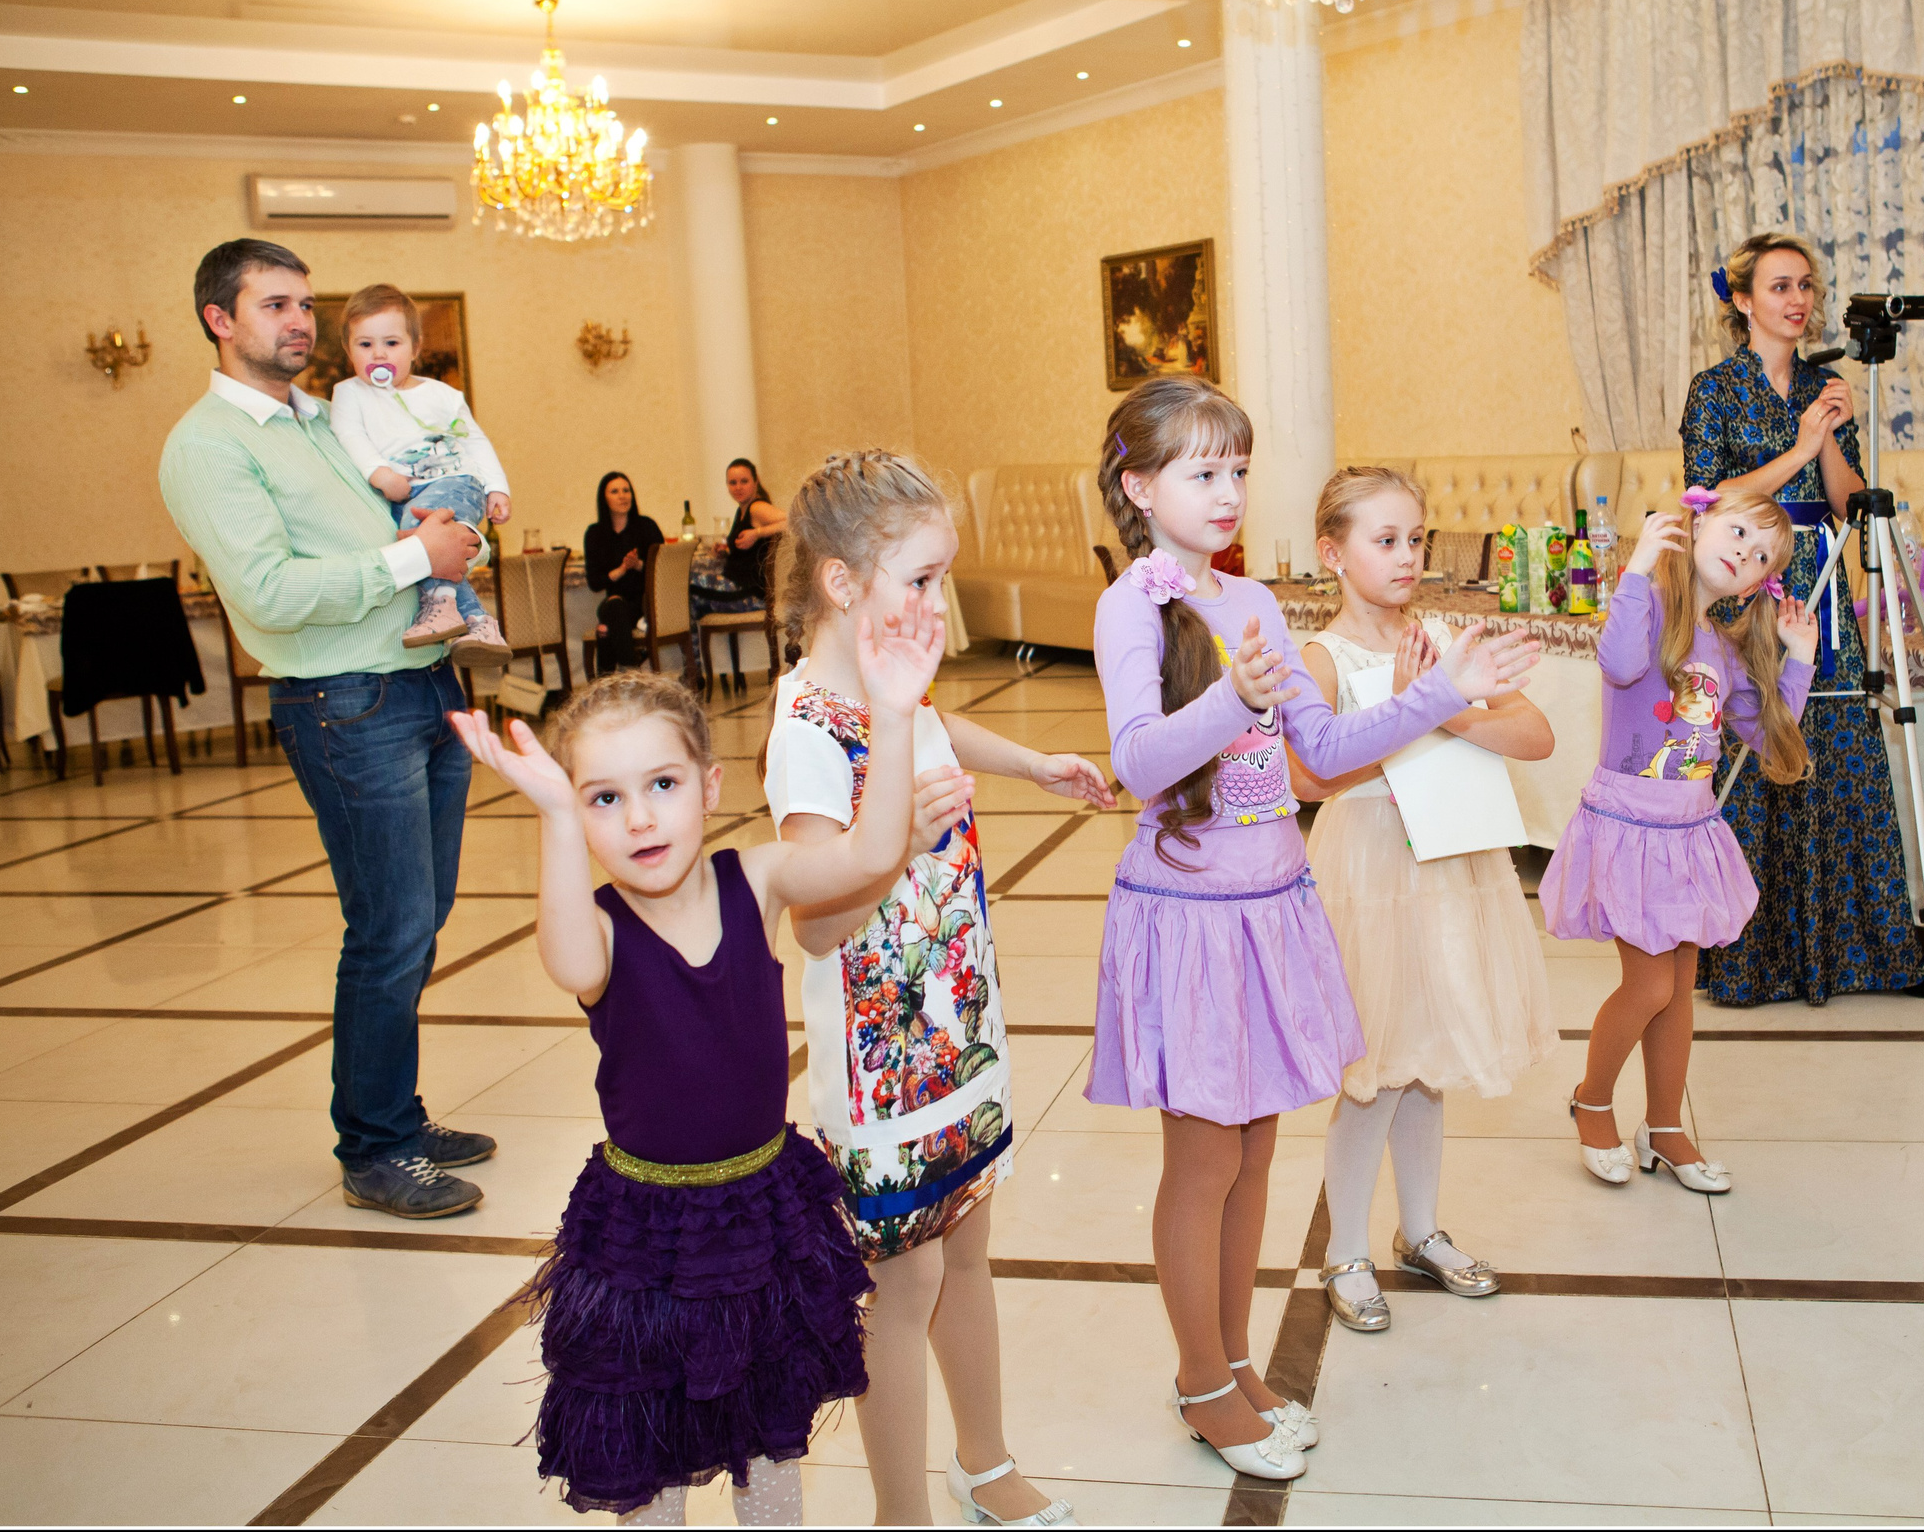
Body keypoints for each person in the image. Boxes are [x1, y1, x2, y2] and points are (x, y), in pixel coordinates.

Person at [1087, 376, 1540, 1482]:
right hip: (1191, 913)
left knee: (1251, 1157)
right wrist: (1230, 704)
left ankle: (1235, 1362)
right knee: (1201, 1165)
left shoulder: (1248, 606)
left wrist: (1447, 694)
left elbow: (1328, 753)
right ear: (1141, 488)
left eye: (1238, 468)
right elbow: (1140, 763)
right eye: (1202, 471)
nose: (1229, 489)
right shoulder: (1129, 608)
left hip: (1268, 902)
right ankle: (1201, 1382)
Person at [451, 637, 941, 1524]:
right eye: (605, 799)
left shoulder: (755, 878)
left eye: (662, 786)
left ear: (710, 787)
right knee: (653, 1450)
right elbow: (563, 960)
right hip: (646, 1232)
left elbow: (868, 857)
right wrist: (556, 820)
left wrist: (897, 716)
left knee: (770, 1436)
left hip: (762, 1211)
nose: (638, 819)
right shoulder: (598, 933)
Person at [763, 449, 1110, 1529]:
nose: (936, 603)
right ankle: (898, 1511)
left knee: (970, 1249)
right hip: (881, 1066)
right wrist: (894, 837)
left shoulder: (887, 686)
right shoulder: (809, 732)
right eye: (917, 579)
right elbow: (815, 924)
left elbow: (941, 727)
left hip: (955, 1025)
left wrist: (1034, 763)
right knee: (901, 1291)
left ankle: (986, 1457)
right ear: (840, 582)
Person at [157, 238, 493, 1220]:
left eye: (305, 304)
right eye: (274, 305)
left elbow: (414, 498)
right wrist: (409, 561)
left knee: (421, 922)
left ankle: (395, 1107)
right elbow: (264, 593)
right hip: (345, 703)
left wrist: (454, 524)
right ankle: (376, 1148)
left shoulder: (334, 413)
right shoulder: (208, 445)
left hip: (428, 683)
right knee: (387, 929)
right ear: (221, 318)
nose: (299, 321)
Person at [1287, 467, 1558, 1334]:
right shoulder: (1322, 657)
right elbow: (1309, 774)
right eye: (1385, 540)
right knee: (1374, 1074)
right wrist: (1410, 709)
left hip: (1449, 867)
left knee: (1429, 1061)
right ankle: (1345, 1251)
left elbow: (1535, 734)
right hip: (1369, 872)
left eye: (1416, 539)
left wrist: (1444, 707)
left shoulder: (1443, 638)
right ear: (1333, 553)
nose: (1407, 557)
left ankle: (1422, 1229)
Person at [1679, 231, 1924, 1004]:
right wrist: (1800, 446)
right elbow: (1711, 497)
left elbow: (1846, 499)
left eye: (1806, 288)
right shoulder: (1714, 389)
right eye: (1782, 287)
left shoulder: (1825, 388)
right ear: (1745, 300)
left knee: (1835, 740)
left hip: (1818, 577)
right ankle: (1750, 957)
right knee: (1756, 745)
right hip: (1746, 578)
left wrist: (1829, 439)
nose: (1799, 301)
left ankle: (1856, 949)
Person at [1542, 489, 1819, 1193]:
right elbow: (1619, 663)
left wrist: (1798, 659)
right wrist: (1637, 568)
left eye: (1762, 556)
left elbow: (1768, 736)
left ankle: (1664, 1126)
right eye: (1737, 532)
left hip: (1688, 831)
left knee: (1680, 988)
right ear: (1696, 525)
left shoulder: (1724, 649)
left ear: (1762, 580)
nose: (1744, 554)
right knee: (1648, 985)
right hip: (1630, 828)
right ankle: (1592, 1102)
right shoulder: (1652, 615)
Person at [327, 284, 512, 666]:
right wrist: (379, 474)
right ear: (349, 351)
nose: (378, 354)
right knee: (419, 542)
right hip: (407, 493)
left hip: (456, 482)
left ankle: (441, 606)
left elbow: (475, 441)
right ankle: (479, 623)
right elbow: (350, 436)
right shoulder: (348, 393)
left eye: (391, 343)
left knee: (419, 532)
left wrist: (497, 487)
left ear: (416, 346)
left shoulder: (442, 395)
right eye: (365, 345)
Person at [689, 457, 789, 685]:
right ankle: (695, 672)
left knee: (688, 581)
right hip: (739, 588)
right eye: (732, 482)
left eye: (744, 481)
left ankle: (693, 672)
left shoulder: (757, 507)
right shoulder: (742, 511)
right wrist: (726, 552)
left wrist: (758, 533)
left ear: (755, 481)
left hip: (749, 594)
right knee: (691, 601)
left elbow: (792, 520)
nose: (738, 487)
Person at [585, 471, 664, 675]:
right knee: (615, 607)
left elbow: (661, 570)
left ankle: (605, 686)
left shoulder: (646, 526)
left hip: (645, 604)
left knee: (606, 629)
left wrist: (638, 564)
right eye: (615, 491)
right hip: (615, 603)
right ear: (604, 498)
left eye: (626, 490)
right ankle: (632, 672)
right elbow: (595, 582)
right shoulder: (595, 533)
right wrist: (621, 570)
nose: (622, 496)